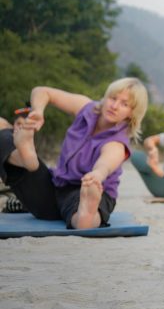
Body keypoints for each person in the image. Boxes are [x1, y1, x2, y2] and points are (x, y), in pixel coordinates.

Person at [0, 79, 148, 229]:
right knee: (3, 134)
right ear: (106, 96)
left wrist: (96, 176)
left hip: (83, 191)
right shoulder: (86, 108)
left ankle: (86, 215)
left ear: (131, 113)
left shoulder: (117, 143)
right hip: (53, 188)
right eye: (113, 98)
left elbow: (105, 164)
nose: (115, 106)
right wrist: (37, 111)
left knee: (81, 205)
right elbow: (42, 91)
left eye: (124, 104)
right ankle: (27, 158)